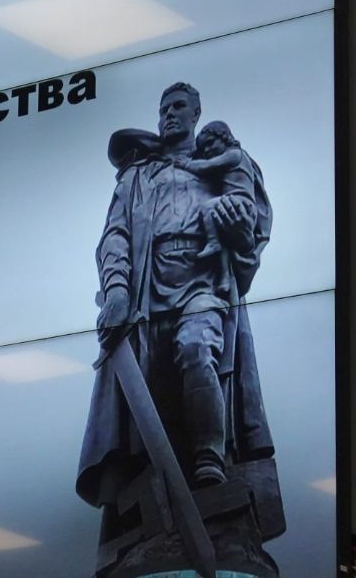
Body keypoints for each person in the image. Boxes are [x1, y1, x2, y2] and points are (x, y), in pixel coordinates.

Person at [77, 82, 275, 545]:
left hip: (203, 281)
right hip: (148, 293)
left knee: (197, 349)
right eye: (163, 108)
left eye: (178, 106)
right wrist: (117, 290)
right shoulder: (137, 176)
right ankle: (155, 491)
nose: (169, 114)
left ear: (196, 113)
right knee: (151, 395)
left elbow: (251, 228)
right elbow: (115, 236)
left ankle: (209, 458)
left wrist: (239, 233)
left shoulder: (221, 161)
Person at [175, 121, 262, 259]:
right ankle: (221, 265)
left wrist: (186, 164)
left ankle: (213, 242)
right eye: (203, 148)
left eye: (210, 143)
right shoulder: (233, 157)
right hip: (238, 203)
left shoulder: (234, 154)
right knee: (223, 235)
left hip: (239, 203)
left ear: (225, 138)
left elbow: (206, 166)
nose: (207, 150)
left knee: (208, 207)